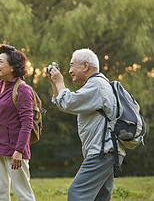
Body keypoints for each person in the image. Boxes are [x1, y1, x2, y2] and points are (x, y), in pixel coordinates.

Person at [47, 48, 125, 201]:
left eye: (72, 65)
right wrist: (54, 84)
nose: (69, 71)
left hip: (101, 152)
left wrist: (60, 82)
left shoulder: (96, 85)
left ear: (85, 66)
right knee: (99, 198)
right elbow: (64, 104)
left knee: (77, 193)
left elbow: (68, 102)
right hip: (107, 152)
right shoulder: (98, 84)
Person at [0, 44, 36, 201]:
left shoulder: (23, 90)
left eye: (1, 62)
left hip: (15, 151)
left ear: (13, 67)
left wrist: (19, 150)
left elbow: (27, 122)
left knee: (23, 194)